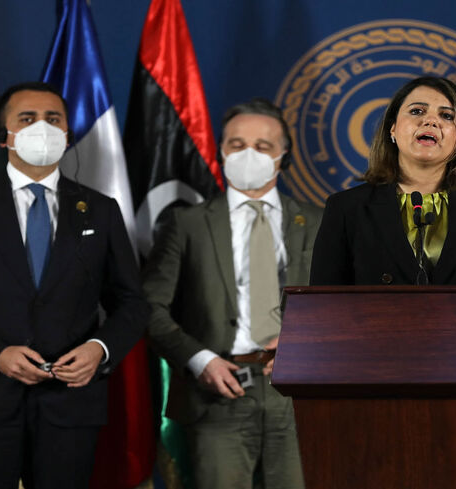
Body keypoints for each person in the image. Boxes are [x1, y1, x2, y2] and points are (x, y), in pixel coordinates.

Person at [0, 82, 149, 489]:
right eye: (27, 119)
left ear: (68, 135)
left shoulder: (101, 211)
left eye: (54, 119)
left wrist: (99, 349)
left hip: (69, 406)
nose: (43, 128)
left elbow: (132, 303)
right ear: (4, 137)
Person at [143, 98, 322, 489]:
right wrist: (199, 359)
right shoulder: (186, 223)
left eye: (263, 146)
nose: (249, 155)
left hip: (299, 400)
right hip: (216, 394)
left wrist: (304, 345)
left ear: (283, 157)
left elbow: (347, 309)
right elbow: (149, 307)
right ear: (220, 151)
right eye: (237, 145)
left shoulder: (319, 221)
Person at [309, 76, 456, 286]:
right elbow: (323, 311)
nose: (430, 121)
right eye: (417, 111)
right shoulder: (346, 209)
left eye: (447, 116)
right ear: (393, 128)